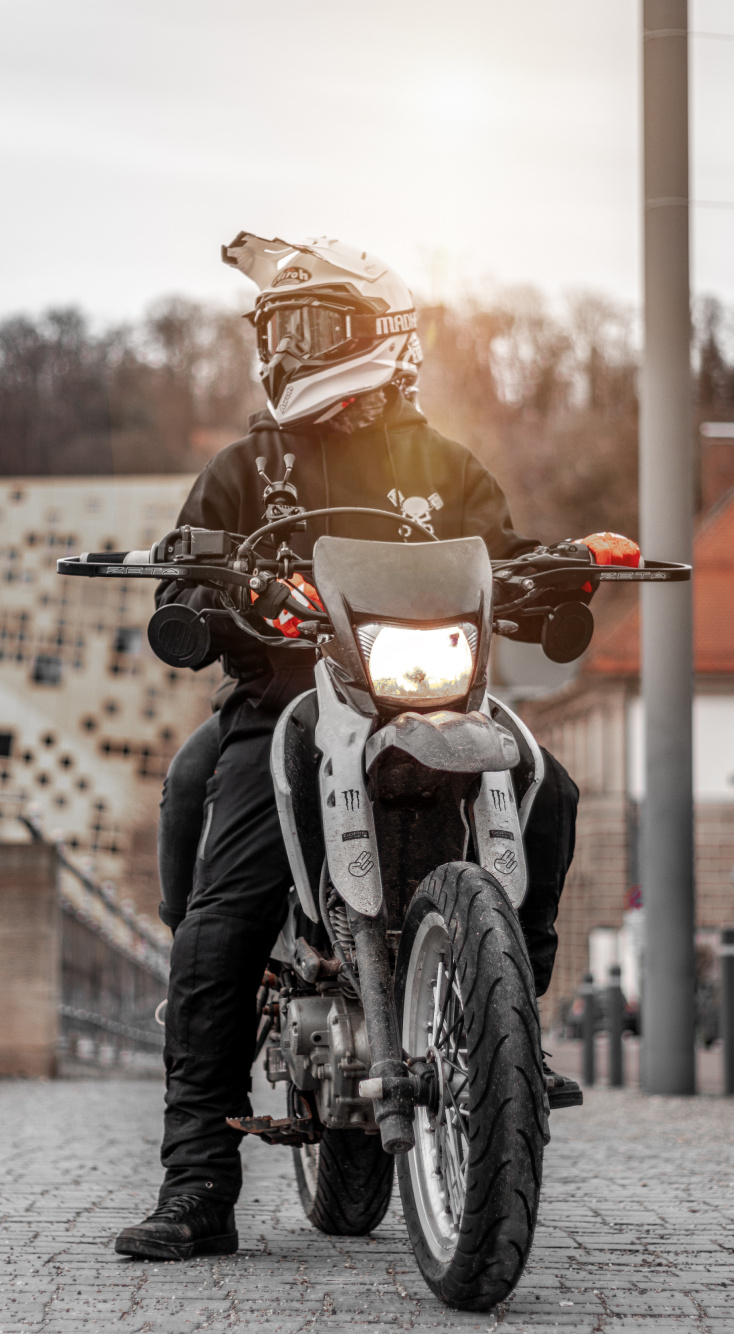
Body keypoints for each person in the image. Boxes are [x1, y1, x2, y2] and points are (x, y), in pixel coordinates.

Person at [115, 233, 639, 1261]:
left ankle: (506, 1030)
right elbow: (186, 576)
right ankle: (197, 1182)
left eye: (315, 327)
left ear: (381, 337)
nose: (292, 347)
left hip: (435, 697)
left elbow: (505, 553)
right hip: (288, 705)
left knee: (554, 789)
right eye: (282, 329)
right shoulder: (249, 466)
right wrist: (206, 590)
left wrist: (563, 567)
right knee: (221, 919)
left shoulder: (442, 465)